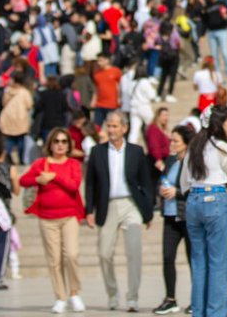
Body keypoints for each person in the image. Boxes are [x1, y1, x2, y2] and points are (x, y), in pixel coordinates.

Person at [85, 111, 154, 312]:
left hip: (131, 205)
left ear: (124, 128)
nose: (112, 130)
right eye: (109, 126)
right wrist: (89, 210)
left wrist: (147, 212)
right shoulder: (97, 152)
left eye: (115, 126)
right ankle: (112, 294)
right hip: (107, 206)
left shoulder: (136, 151)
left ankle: (132, 298)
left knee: (134, 253)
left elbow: (146, 184)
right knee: (104, 253)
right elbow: (90, 184)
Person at [180, 106, 227, 317]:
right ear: (220, 123)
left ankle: (199, 311)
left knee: (199, 262)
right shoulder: (221, 146)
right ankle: (216, 313)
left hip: (194, 201)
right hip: (215, 198)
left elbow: (183, 182)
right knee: (219, 262)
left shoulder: (194, 145)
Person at [20, 127, 87, 313]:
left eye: (64, 141)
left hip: (69, 216)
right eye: (56, 141)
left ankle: (74, 293)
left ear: (68, 145)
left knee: (71, 255)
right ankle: (60, 296)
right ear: (51, 144)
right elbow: (23, 181)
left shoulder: (73, 164)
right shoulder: (41, 163)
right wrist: (37, 179)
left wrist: (55, 177)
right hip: (47, 218)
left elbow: (74, 186)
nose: (60, 145)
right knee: (54, 259)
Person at [156, 125, 194, 316]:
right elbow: (162, 180)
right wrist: (162, 189)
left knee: (192, 258)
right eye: (171, 140)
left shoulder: (193, 161)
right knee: (167, 257)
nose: (171, 144)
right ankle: (170, 299)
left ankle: (196, 299)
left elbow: (194, 186)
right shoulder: (171, 160)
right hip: (170, 216)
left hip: (187, 216)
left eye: (175, 141)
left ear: (186, 143)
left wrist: (177, 192)